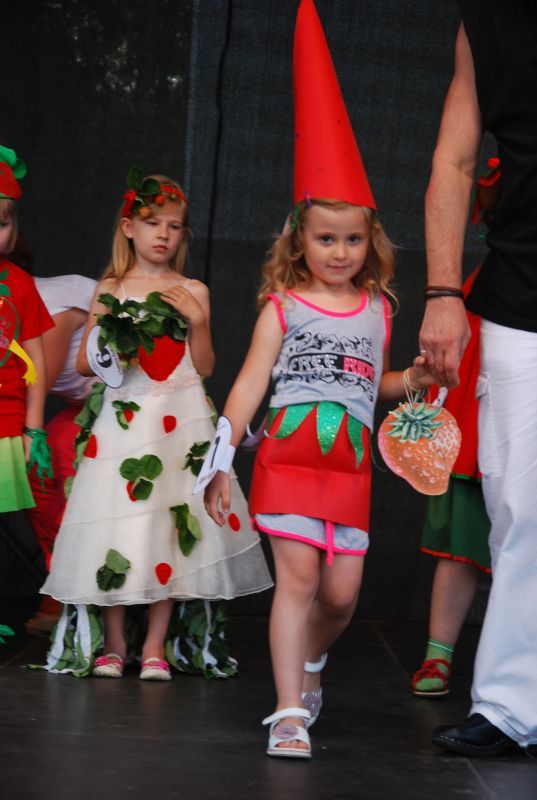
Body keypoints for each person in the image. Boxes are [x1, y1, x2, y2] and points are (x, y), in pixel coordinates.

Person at [204, 0, 435, 759]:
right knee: (298, 583)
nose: (339, 251)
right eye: (325, 237)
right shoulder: (283, 305)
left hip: (350, 466)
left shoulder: (377, 309)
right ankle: (287, 714)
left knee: (340, 596)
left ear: (370, 240)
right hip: (289, 457)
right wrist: (222, 452)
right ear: (299, 238)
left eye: (352, 238)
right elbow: (250, 382)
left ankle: (308, 663)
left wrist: (415, 377)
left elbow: (373, 386)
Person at [40, 169, 272, 680]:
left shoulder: (192, 289)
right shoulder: (111, 288)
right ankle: (115, 644)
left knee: (171, 528)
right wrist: (114, 346)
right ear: (129, 228)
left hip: (180, 424)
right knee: (119, 528)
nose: (163, 234)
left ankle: (154, 647)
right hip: (123, 427)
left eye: (174, 226)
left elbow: (204, 366)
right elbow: (83, 365)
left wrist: (199, 321)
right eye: (152, 223)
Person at [419, 3, 537, 756]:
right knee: (520, 512)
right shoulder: (492, 19)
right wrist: (441, 294)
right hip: (523, 294)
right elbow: (454, 160)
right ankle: (510, 708)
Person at [24, 273, 97, 635]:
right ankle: (61, 579)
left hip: (130, 406)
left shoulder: (51, 303)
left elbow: (33, 385)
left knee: (54, 459)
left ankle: (71, 592)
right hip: (83, 407)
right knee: (37, 470)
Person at [0, 145, 54, 518]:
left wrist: (33, 429)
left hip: (5, 426)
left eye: (1, 224)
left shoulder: (20, 283)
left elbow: (36, 361)